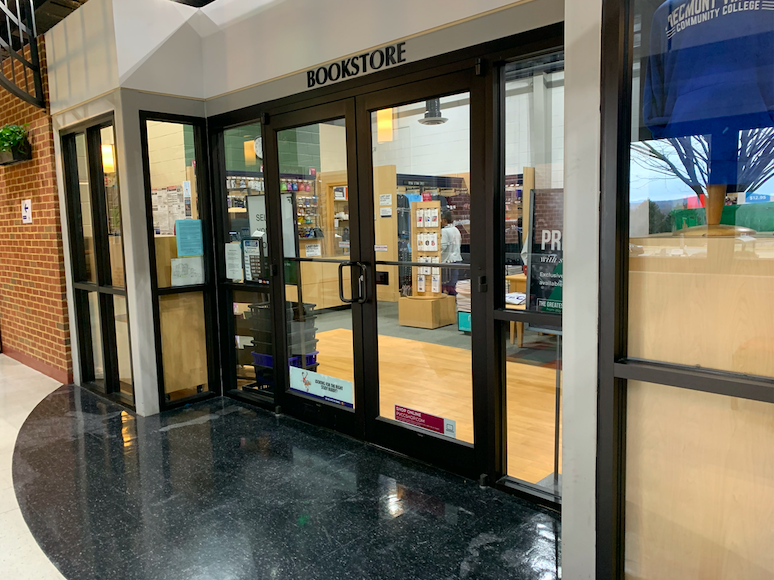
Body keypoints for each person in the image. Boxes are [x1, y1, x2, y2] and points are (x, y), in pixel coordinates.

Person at [441, 210, 462, 294]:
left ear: (444, 220)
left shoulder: (444, 231)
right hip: (457, 258)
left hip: (447, 260)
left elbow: (443, 246)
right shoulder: (456, 229)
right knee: (453, 284)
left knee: (444, 283)